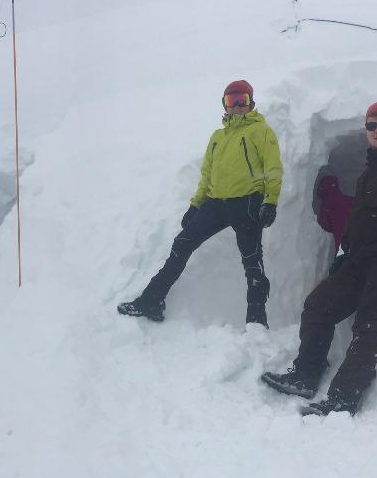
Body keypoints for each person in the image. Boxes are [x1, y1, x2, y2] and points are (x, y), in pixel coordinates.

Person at [262, 101, 377, 416]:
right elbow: (356, 221)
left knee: (370, 322)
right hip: (360, 259)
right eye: (371, 125)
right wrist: (344, 252)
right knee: (318, 306)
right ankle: (307, 373)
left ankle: (343, 398)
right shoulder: (369, 172)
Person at [118, 79, 284, 325]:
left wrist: (270, 201)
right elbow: (207, 175)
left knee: (252, 262)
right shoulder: (217, 137)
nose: (237, 106)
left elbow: (273, 168)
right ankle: (151, 300)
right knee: (182, 244)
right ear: (224, 106)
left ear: (252, 104)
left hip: (247, 203)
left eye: (243, 101)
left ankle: (256, 319)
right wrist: (196, 205)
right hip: (215, 204)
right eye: (232, 101)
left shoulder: (260, 131)